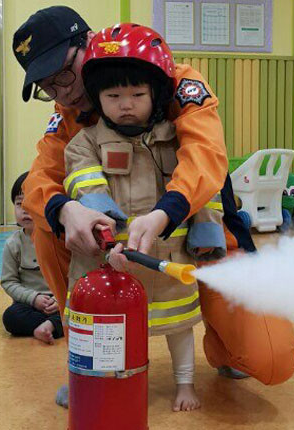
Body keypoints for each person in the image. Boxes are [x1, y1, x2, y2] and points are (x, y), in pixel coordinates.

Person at [12, 6, 294, 408]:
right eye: (47, 86)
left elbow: (205, 156)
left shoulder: (173, 81)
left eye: (63, 73)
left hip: (206, 240)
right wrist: (64, 210)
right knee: (47, 227)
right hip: (116, 251)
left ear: (89, 43)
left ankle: (224, 340)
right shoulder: (69, 116)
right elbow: (38, 179)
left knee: (271, 361)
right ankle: (89, 351)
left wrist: (166, 212)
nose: (62, 92)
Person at [64, 24, 227, 412]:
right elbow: (86, 189)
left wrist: (208, 235)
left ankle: (184, 383)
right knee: (103, 328)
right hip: (107, 260)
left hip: (168, 259)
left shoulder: (176, 137)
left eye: (137, 95)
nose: (126, 104)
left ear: (156, 94)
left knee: (179, 326)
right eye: (113, 96)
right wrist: (106, 238)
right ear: (97, 97)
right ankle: (93, 380)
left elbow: (203, 188)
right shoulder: (84, 143)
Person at [1, 172, 64, 345]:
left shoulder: (61, 240)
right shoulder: (13, 244)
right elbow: (9, 282)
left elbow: (71, 276)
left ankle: (50, 324)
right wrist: (33, 299)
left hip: (60, 302)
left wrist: (59, 300)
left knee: (77, 312)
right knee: (11, 317)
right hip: (29, 305)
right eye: (20, 203)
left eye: (33, 202)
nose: (26, 209)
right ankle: (52, 325)